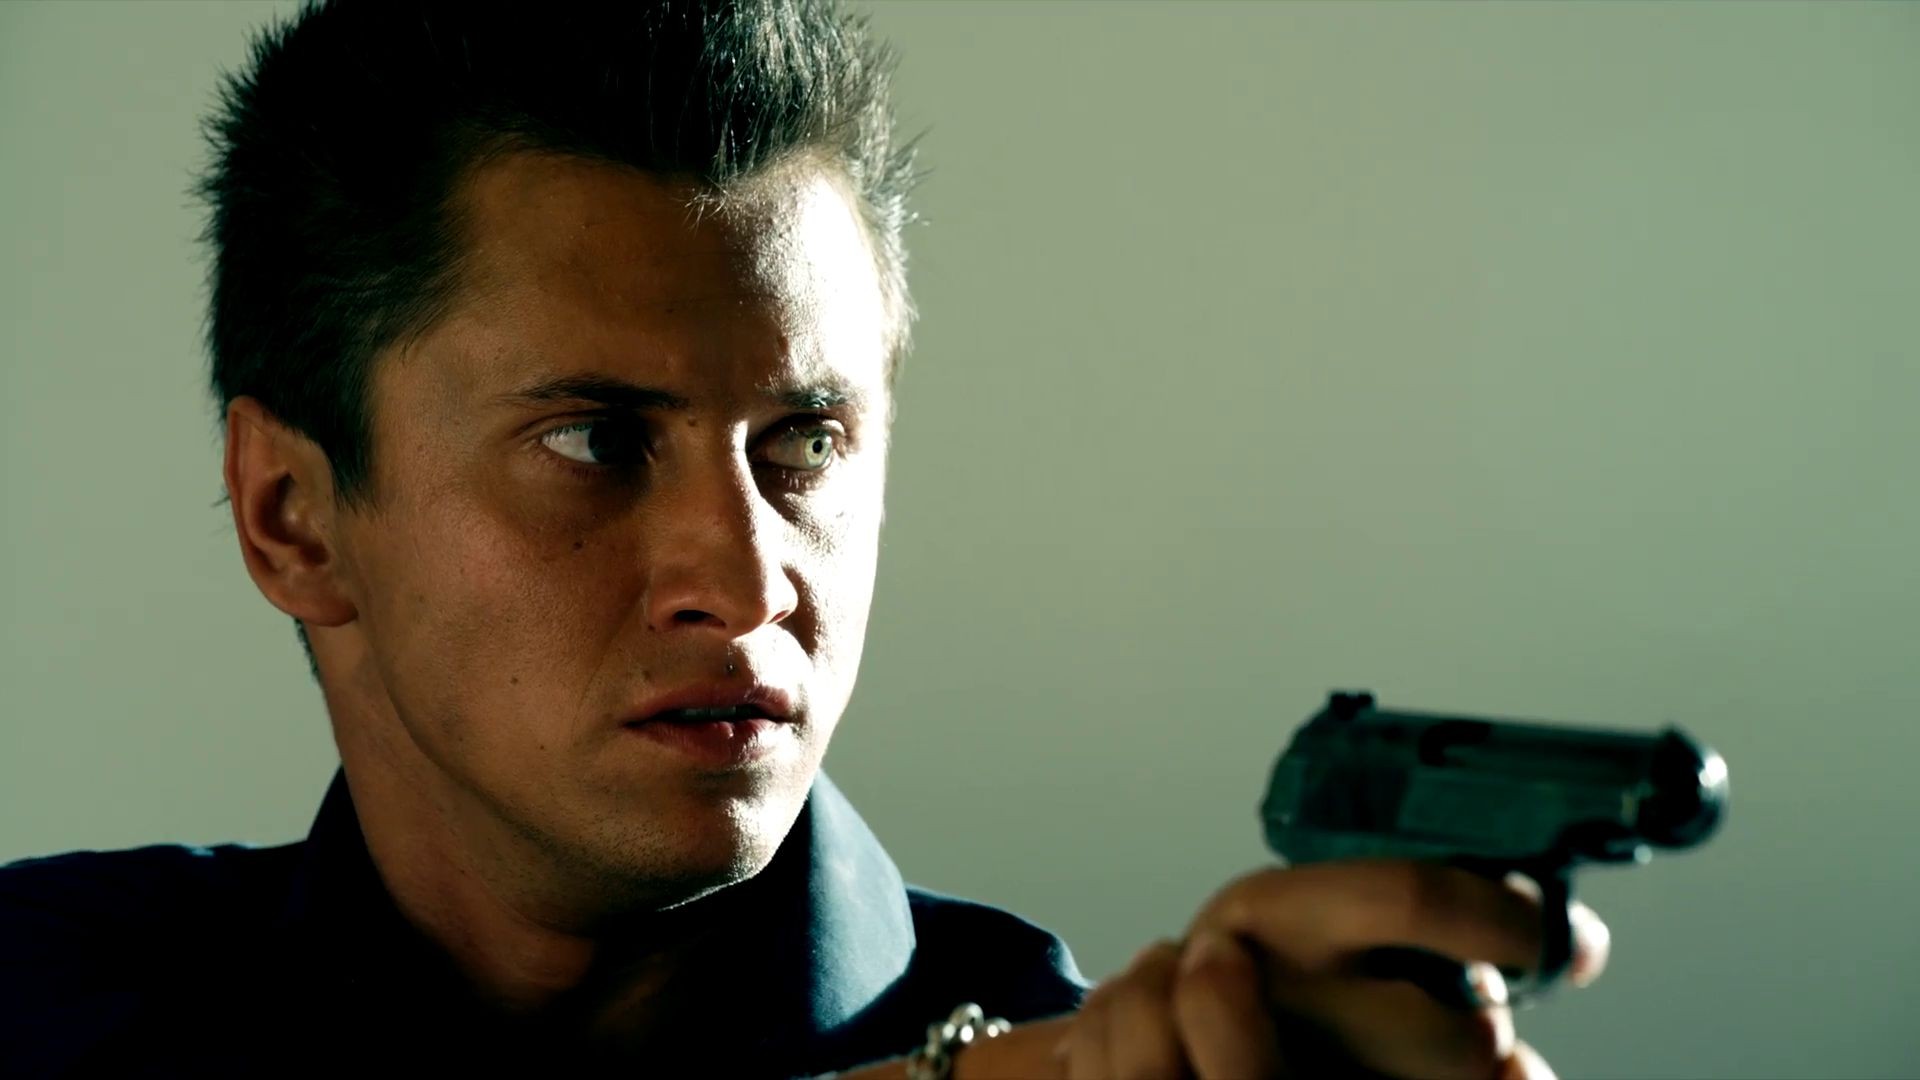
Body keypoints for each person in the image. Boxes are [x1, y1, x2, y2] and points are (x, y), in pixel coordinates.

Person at [0, 2, 1609, 1076]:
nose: (749, 578)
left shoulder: (1083, 1043)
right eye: (597, 441)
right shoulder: (46, 994)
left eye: (806, 443)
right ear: (293, 517)